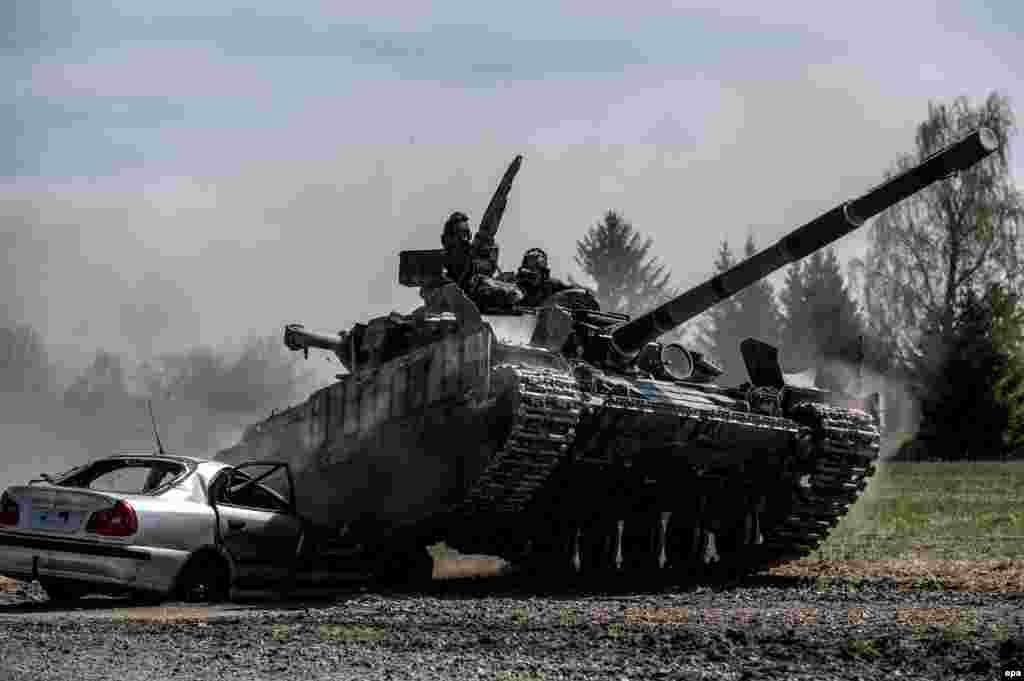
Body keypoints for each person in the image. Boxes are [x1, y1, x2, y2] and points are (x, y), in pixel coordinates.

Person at [428, 211, 522, 313]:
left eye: (466, 234)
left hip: (474, 295)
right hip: (452, 300)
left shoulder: (473, 253)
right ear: (445, 239)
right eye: (457, 234)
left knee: (511, 291)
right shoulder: (441, 261)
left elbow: (487, 269)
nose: (463, 239)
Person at [513, 248, 580, 307]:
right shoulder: (519, 285)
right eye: (530, 270)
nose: (533, 273)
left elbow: (572, 291)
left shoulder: (553, 284)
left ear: (543, 272)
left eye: (537, 269)